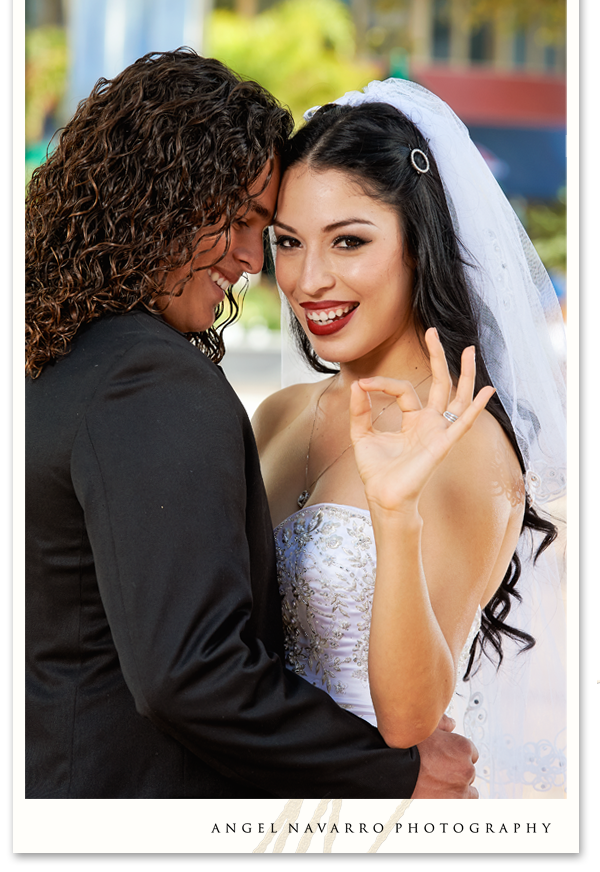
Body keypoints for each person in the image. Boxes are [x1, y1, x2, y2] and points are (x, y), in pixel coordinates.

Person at [25, 50, 479, 799]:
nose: (252, 261)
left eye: (261, 229)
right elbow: (189, 673)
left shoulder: (55, 358)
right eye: (246, 226)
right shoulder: (151, 379)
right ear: (155, 202)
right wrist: (393, 772)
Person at [253, 79, 567, 798]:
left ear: (418, 247)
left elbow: (408, 722)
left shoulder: (468, 446)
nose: (309, 279)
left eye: (350, 241)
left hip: (380, 814)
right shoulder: (277, 414)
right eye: (289, 243)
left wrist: (395, 517)